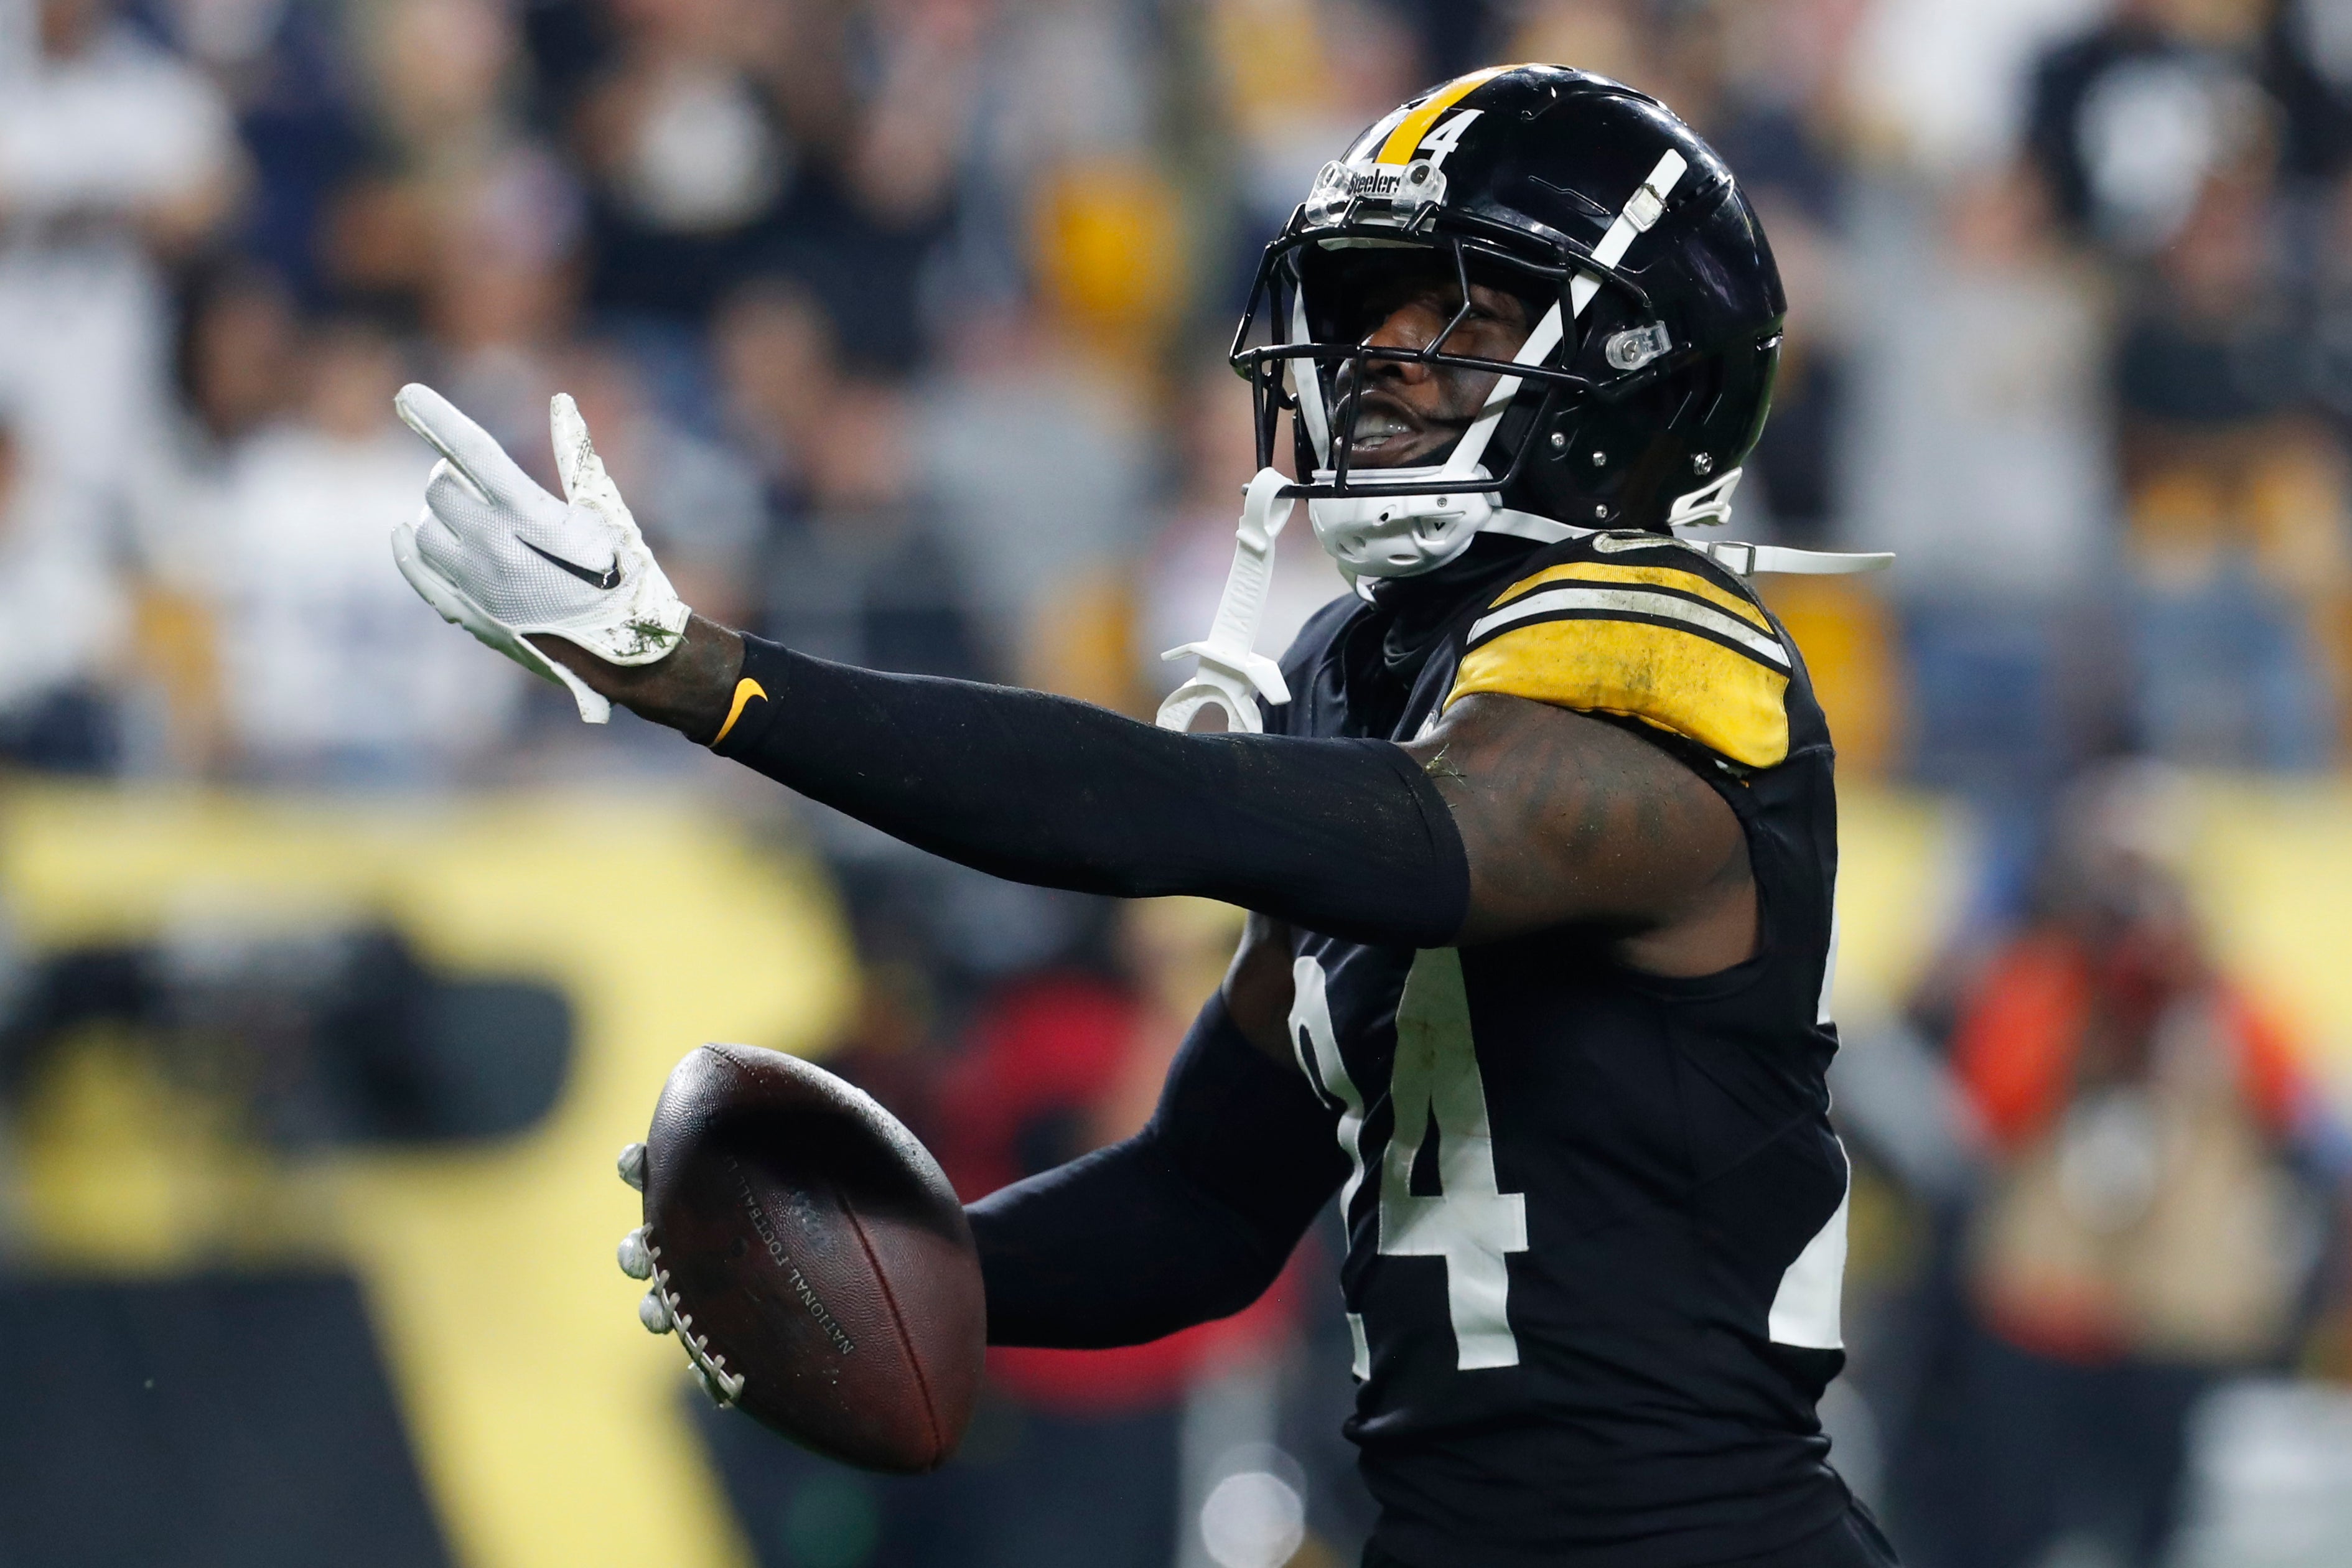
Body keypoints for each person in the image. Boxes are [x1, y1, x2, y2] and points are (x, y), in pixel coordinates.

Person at [388, 64, 1893, 1568]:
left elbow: (1198, 816)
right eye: (1371, 312)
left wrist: (708, 678)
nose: (1381, 357)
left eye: (1463, 318)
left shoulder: (1667, 652)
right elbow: (1208, 1197)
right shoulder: (1360, 677)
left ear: (1635, 372)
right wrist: (897, 1273)